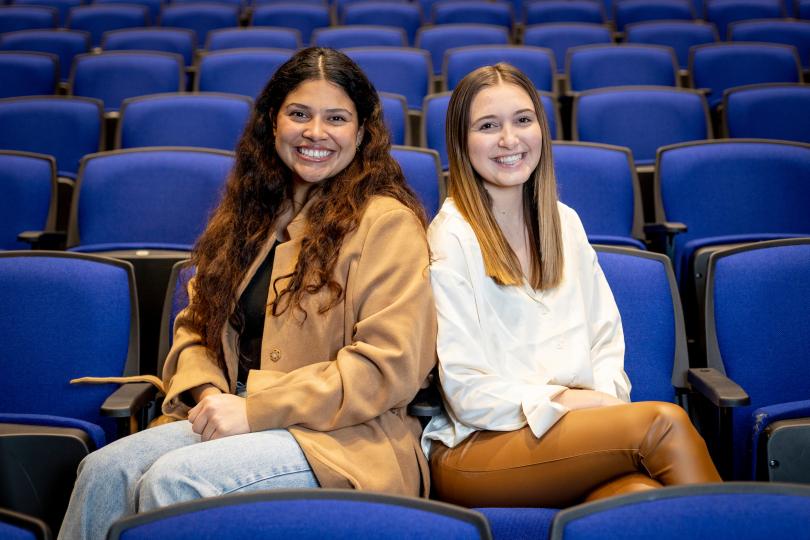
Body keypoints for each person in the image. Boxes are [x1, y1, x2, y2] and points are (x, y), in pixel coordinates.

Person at [59, 47, 437, 540]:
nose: (315, 133)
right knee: (104, 470)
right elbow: (195, 325)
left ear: (362, 132)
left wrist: (253, 409)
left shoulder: (388, 223)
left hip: (342, 438)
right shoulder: (251, 213)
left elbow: (389, 368)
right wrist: (212, 394)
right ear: (272, 123)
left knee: (176, 484)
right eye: (298, 114)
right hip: (234, 412)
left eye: (336, 118)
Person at [421, 63, 721, 508]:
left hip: (573, 437)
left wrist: (601, 404)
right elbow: (467, 391)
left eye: (523, 120)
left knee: (638, 499)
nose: (509, 139)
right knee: (663, 423)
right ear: (462, 143)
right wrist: (575, 404)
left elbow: (605, 340)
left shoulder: (564, 222)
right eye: (488, 126)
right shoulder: (451, 236)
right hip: (478, 447)